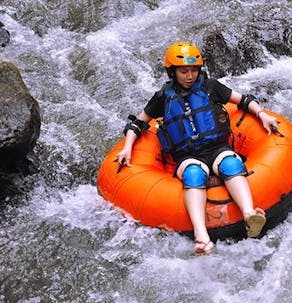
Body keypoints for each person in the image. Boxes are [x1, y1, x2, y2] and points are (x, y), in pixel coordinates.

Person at [116, 41, 279, 254]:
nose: (190, 76)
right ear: (172, 72)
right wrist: (128, 147)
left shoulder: (211, 87)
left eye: (194, 70)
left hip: (217, 148)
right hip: (187, 156)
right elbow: (137, 123)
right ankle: (202, 237)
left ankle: (250, 215)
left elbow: (243, 100)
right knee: (194, 174)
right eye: (184, 71)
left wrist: (262, 114)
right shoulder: (163, 97)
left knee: (231, 164)